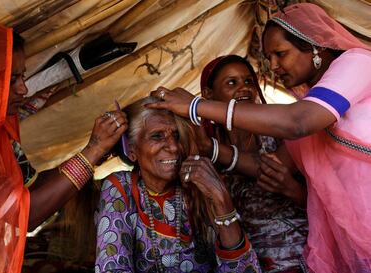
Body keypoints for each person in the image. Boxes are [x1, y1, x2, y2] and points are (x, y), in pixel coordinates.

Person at [147, 3, 371, 273]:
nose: (273, 66)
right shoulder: (310, 103)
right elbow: (270, 167)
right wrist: (212, 149)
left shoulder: (358, 63)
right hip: (355, 231)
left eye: (280, 54)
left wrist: (196, 106)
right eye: (269, 57)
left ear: (315, 46)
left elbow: (297, 122)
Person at [0, 20, 127, 273]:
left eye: (22, 76)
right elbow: (26, 213)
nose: (22, 89)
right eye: (10, 79)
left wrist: (96, 154)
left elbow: (29, 186)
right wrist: (91, 152)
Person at [94, 96, 261, 273]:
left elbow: (245, 270)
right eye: (157, 136)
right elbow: (111, 268)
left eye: (176, 136)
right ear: (132, 149)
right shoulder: (121, 187)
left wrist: (221, 200)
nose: (173, 147)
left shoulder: (200, 184)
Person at [197, 55, 308, 272]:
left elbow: (325, 201)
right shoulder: (203, 152)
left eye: (249, 81)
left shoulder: (281, 136)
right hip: (247, 264)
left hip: (306, 257)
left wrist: (292, 189)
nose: (244, 88)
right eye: (232, 83)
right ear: (208, 95)